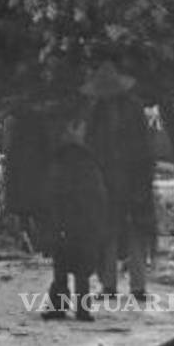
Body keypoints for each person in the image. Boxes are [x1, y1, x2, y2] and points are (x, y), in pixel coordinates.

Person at [83, 61, 155, 301]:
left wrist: (142, 179)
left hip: (133, 177)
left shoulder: (132, 108)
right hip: (106, 180)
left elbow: (142, 146)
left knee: (136, 232)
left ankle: (138, 286)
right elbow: (91, 146)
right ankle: (109, 285)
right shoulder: (97, 111)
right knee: (107, 233)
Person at [38, 104, 109, 322]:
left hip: (64, 219)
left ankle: (58, 306)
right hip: (84, 220)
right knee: (81, 270)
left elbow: (51, 191)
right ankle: (82, 309)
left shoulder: (60, 159)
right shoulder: (88, 161)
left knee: (61, 267)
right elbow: (98, 194)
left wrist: (51, 218)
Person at [2, 103, 54, 250]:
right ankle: (35, 240)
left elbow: (7, 147)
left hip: (24, 170)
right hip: (34, 170)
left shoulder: (14, 121)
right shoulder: (39, 121)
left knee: (25, 207)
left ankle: (30, 239)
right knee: (35, 208)